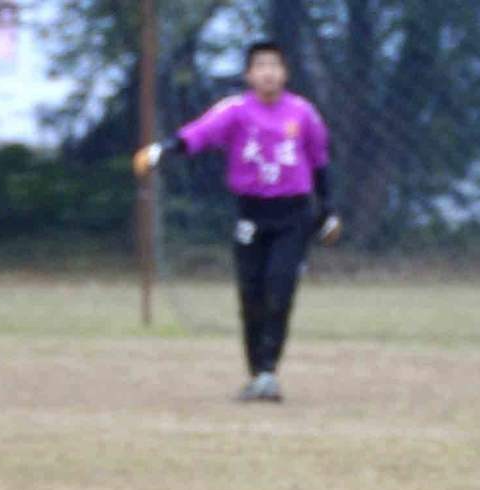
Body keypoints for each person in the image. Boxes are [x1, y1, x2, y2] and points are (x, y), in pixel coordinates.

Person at [133, 41, 341, 402]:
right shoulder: (236, 111)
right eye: (260, 66)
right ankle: (256, 372)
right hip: (251, 215)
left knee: (279, 289)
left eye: (275, 65)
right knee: (251, 296)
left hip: (293, 216)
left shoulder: (303, 113)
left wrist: (327, 211)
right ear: (248, 75)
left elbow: (320, 163)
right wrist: (162, 150)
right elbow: (197, 134)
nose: (268, 72)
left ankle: (268, 373)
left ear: (285, 73)